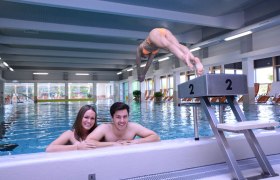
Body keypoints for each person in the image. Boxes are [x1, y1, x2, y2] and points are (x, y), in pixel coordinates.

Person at [136, 28, 204, 82]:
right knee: (177, 45)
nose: (146, 56)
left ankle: (184, 57)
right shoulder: (154, 51)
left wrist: (140, 75)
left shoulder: (140, 47)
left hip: (154, 34)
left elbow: (138, 62)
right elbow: (148, 63)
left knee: (169, 46)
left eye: (145, 56)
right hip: (163, 31)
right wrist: (143, 74)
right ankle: (194, 59)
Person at [86, 102, 160, 145]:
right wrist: (113, 144)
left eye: (125, 117)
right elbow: (88, 141)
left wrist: (133, 142)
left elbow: (155, 137)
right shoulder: (105, 128)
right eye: (118, 117)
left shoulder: (133, 127)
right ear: (112, 117)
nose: (122, 121)